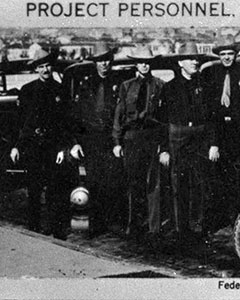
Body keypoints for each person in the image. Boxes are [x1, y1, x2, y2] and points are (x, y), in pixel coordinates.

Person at [10, 49, 81, 240]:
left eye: (48, 65)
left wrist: (63, 147)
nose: (45, 70)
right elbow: (22, 122)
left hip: (53, 146)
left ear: (52, 66)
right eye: (40, 66)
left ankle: (55, 227)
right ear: (36, 69)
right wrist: (17, 146)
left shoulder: (60, 90)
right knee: (34, 187)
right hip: (33, 145)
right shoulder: (27, 91)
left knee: (54, 188)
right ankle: (33, 226)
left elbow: (66, 122)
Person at [158, 41, 219, 243]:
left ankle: (198, 227)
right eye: (190, 59)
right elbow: (162, 121)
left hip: (201, 139)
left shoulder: (206, 86)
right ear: (180, 62)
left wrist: (214, 144)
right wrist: (164, 150)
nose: (195, 62)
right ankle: (180, 228)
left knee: (200, 184)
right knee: (178, 184)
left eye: (197, 59)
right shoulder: (169, 88)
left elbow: (213, 118)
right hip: (177, 138)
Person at [112, 45, 167, 241]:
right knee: (132, 183)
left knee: (154, 184)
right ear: (135, 63)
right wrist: (117, 141)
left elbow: (164, 118)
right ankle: (133, 225)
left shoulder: (160, 85)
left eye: (148, 62)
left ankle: (154, 228)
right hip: (131, 138)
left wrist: (163, 144)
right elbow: (119, 116)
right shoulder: (126, 86)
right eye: (141, 62)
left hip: (151, 137)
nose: (144, 65)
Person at [71, 42, 126, 236]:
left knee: (113, 180)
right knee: (93, 181)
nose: (104, 64)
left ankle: (114, 221)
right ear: (95, 63)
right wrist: (76, 142)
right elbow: (78, 116)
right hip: (91, 140)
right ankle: (95, 223)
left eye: (107, 60)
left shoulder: (118, 82)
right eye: (101, 61)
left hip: (111, 139)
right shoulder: (86, 84)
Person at [201, 35, 240, 230]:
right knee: (217, 176)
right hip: (218, 132)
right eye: (223, 54)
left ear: (236, 54)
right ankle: (218, 217)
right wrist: (213, 142)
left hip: (237, 131)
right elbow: (209, 111)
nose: (226, 58)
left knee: (239, 177)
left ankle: (238, 218)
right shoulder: (212, 75)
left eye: (230, 54)